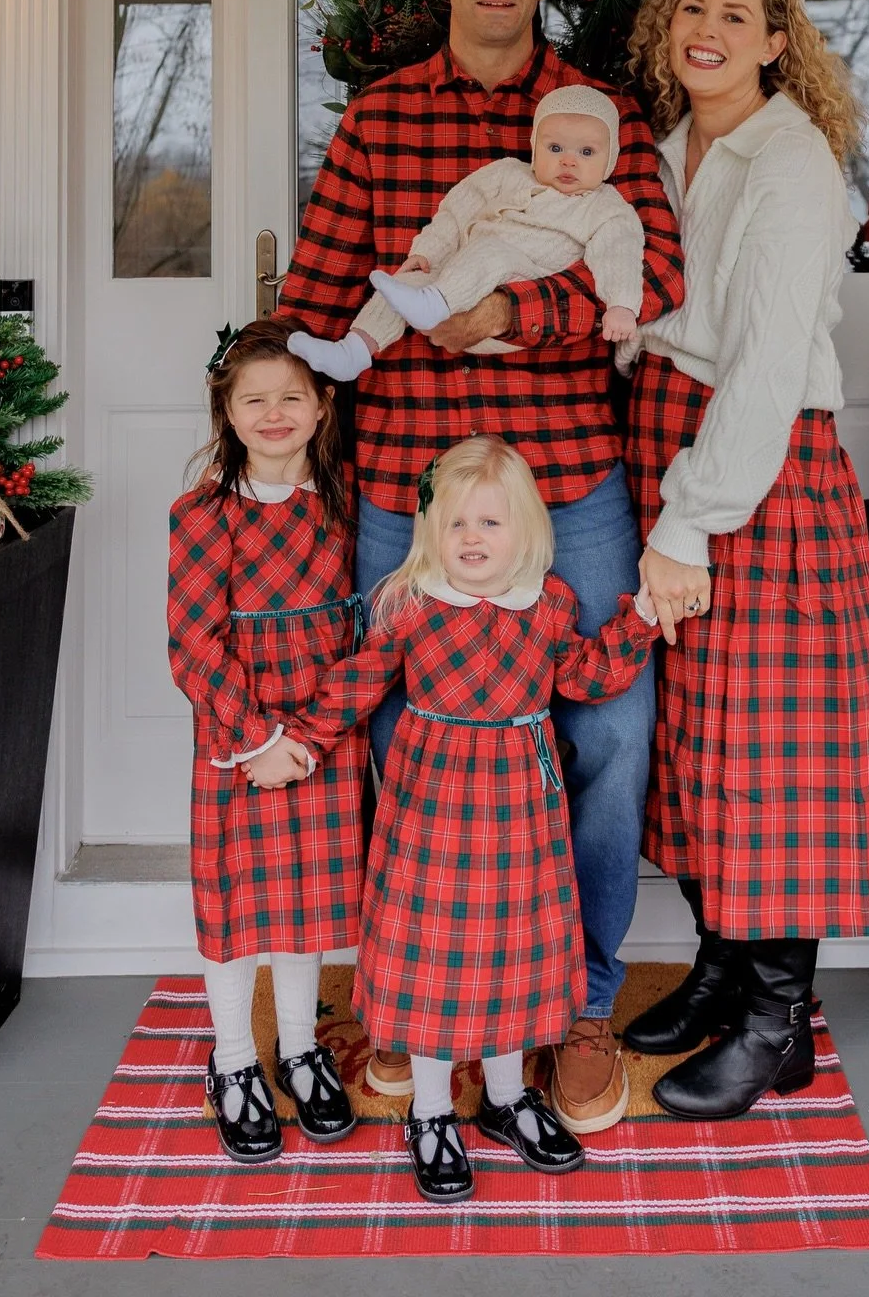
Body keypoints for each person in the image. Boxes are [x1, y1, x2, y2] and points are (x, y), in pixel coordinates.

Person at [278, 0, 684, 1132]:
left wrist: (518, 312)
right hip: (411, 476)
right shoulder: (381, 117)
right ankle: (416, 1001)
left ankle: (579, 1005)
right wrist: (261, 428)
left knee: (607, 730)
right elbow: (316, 287)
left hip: (569, 476)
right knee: (404, 732)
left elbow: (653, 274)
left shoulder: (603, 118)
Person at [618, 0, 869, 1119]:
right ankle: (724, 971)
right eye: (693, 9)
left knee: (767, 749)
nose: (709, 31)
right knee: (694, 735)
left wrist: (689, 524)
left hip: (757, 466)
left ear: (778, 44)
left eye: (737, 16)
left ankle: (777, 1021)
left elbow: (763, 363)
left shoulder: (790, 160)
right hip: (670, 442)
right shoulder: (660, 149)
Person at [256, 438, 658, 1203]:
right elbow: (358, 682)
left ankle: (506, 1099)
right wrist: (300, 741)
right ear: (431, 533)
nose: (472, 538)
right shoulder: (410, 604)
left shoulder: (548, 605)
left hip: (522, 825)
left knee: (513, 957)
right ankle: (432, 1113)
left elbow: (587, 676)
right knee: (433, 961)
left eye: (490, 522)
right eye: (456, 523)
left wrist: (638, 619)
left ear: (526, 530)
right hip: (432, 822)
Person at [166, 319, 364, 1161]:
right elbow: (192, 644)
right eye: (255, 400)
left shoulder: (346, 506)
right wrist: (258, 740)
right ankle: (234, 1058)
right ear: (227, 410)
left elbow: (364, 637)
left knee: (303, 904)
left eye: (292, 397)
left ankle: (301, 1048)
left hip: (322, 733)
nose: (274, 414)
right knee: (236, 904)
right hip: (238, 738)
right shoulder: (204, 514)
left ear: (322, 406)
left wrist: (309, 739)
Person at [290, 85, 645, 381]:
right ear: (535, 145)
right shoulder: (507, 173)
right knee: (405, 283)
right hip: (460, 282)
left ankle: (433, 303)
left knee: (492, 250)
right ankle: (353, 351)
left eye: (587, 152)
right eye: (555, 148)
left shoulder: (606, 207)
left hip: (517, 296)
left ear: (610, 159)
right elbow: (456, 213)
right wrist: (426, 253)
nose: (569, 161)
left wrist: (622, 305)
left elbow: (620, 254)